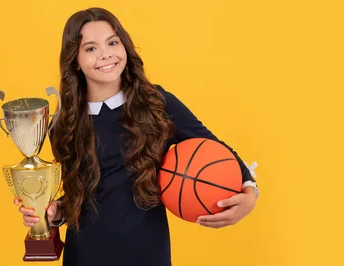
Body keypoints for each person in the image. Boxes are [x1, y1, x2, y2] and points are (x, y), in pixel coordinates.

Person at [13, 7, 259, 266]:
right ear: (74, 60)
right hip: (85, 256)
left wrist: (250, 192)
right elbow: (77, 195)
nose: (106, 54)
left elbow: (215, 149)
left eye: (112, 42)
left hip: (148, 254)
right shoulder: (64, 123)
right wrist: (53, 213)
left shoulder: (157, 103)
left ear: (125, 46)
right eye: (91, 48)